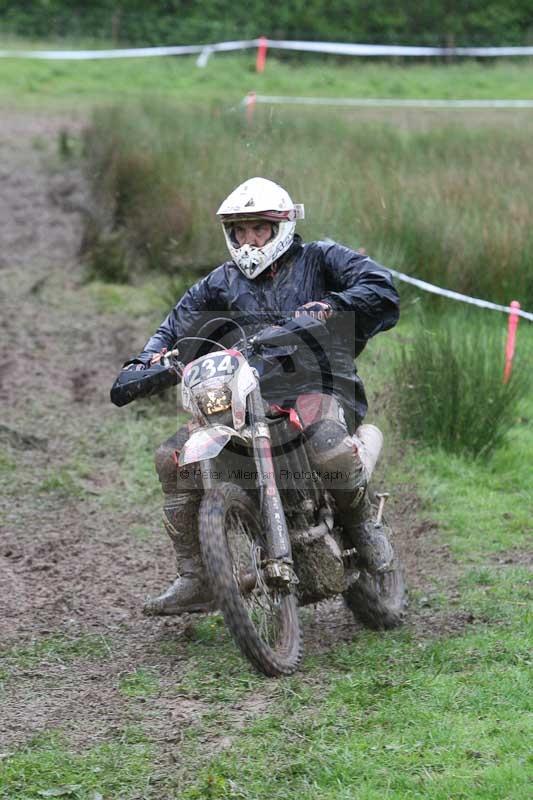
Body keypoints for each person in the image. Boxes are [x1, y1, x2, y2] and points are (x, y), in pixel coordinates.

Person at [111, 177, 400, 616]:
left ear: (280, 227)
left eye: (258, 230)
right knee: (173, 457)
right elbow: (173, 330)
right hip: (243, 396)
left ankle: (363, 529)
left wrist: (329, 306)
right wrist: (148, 360)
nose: (248, 240)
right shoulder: (218, 283)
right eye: (240, 231)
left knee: (329, 452)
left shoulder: (319, 259)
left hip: (317, 386)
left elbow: (380, 287)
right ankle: (196, 577)